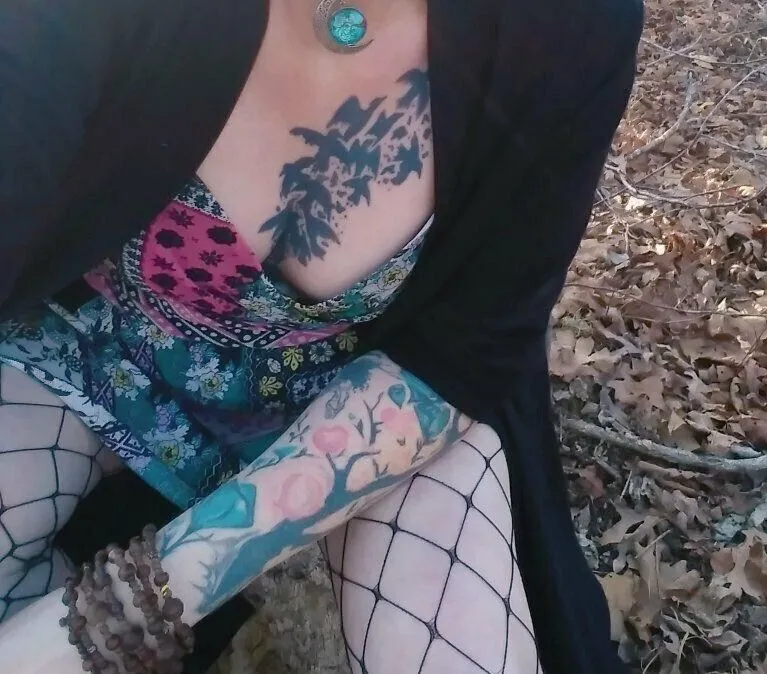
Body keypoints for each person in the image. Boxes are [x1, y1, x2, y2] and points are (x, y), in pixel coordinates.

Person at [0, 0, 644, 672]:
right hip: (107, 351)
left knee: (451, 644)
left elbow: (461, 353)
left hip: (375, 405)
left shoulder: (571, 25)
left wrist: (133, 606)